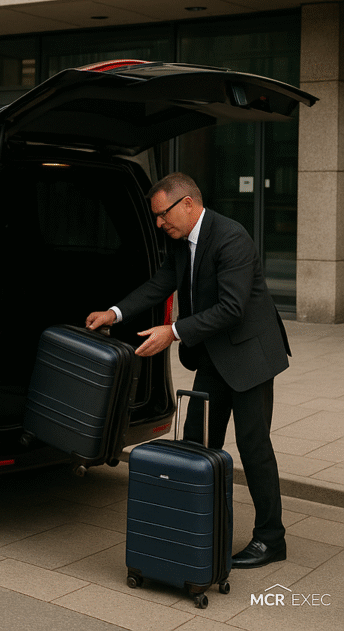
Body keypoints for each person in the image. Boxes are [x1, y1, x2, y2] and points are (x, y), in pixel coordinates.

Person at [86, 172, 290, 569]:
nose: (159, 224)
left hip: (249, 358)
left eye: (163, 215)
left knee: (254, 448)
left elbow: (232, 308)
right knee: (197, 443)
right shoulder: (179, 241)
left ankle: (271, 539)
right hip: (213, 356)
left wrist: (173, 332)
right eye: (156, 218)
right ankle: (200, 528)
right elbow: (162, 282)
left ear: (188, 205)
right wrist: (115, 312)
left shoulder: (232, 238)